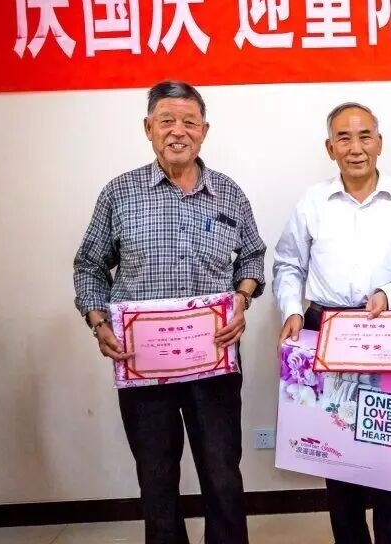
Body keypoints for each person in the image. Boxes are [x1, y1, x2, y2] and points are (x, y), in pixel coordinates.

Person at [73, 81, 265, 544]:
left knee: (222, 474)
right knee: (157, 479)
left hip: (214, 362)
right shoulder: (119, 194)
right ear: (148, 128)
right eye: (166, 121)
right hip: (143, 366)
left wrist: (241, 300)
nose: (178, 131)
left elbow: (253, 258)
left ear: (204, 131)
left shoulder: (229, 193)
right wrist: (99, 323)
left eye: (189, 122)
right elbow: (89, 266)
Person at [273, 101, 391, 544]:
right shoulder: (313, 201)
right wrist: (292, 310)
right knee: (336, 450)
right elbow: (288, 263)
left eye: (365, 136)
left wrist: (390, 294)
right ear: (330, 148)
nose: (356, 148)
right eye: (343, 138)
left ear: (379, 143)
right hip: (326, 328)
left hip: (389, 328)